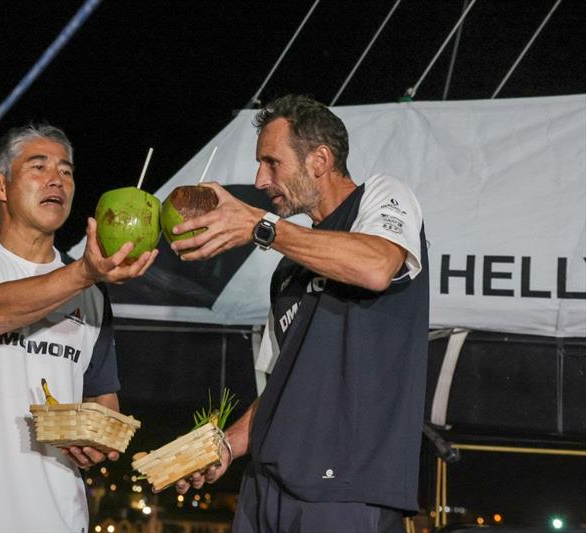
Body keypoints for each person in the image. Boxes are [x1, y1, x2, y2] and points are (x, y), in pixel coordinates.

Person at [171, 95, 429, 532]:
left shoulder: (382, 196)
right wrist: (227, 447)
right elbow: (280, 391)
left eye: (272, 162)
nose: (259, 179)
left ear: (320, 160)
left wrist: (260, 226)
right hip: (264, 488)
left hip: (343, 492)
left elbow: (376, 266)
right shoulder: (288, 269)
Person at [0, 123, 157, 532]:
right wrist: (85, 272)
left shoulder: (93, 293)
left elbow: (103, 402)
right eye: (39, 167)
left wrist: (97, 439)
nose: (57, 179)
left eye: (67, 171)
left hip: (57, 518)